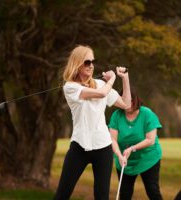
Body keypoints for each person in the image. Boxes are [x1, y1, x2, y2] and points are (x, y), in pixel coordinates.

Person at [54, 45, 131, 200]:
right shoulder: (70, 87)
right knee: (62, 194)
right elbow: (101, 94)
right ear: (77, 64)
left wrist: (124, 79)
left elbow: (126, 104)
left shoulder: (101, 84)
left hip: (103, 147)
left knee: (102, 196)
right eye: (87, 62)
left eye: (92, 61)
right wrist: (112, 80)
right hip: (79, 146)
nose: (91, 65)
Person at [109, 89, 163, 200]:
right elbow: (113, 140)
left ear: (136, 100)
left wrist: (131, 149)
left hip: (148, 158)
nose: (128, 104)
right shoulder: (116, 115)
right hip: (124, 160)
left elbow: (150, 140)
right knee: (125, 194)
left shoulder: (147, 113)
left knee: (152, 191)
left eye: (131, 100)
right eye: (124, 100)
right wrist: (119, 155)